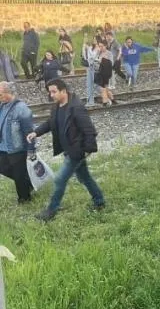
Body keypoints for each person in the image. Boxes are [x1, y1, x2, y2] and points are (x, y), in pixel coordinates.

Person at [27, 78, 104, 221]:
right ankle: (99, 201)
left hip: (76, 151)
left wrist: (88, 150)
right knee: (85, 178)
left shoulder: (76, 107)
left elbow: (89, 130)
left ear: (63, 91)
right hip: (68, 149)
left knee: (59, 179)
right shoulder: (57, 106)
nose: (51, 95)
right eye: (50, 92)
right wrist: (36, 132)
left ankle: (51, 211)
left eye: (54, 92)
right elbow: (51, 123)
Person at [0, 81, 34, 204]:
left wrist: (31, 149)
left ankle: (24, 199)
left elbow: (29, 131)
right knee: (3, 168)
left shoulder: (21, 108)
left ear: (10, 93)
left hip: (17, 147)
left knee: (19, 173)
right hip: (3, 146)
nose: (0, 97)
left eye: (1, 94)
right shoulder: (2, 106)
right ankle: (28, 182)